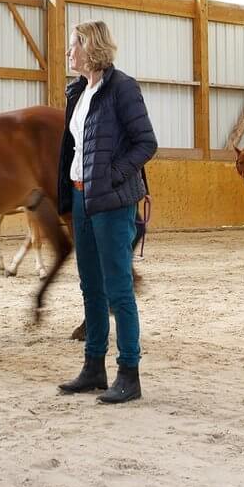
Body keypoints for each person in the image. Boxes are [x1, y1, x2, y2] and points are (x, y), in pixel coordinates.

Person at [56, 20, 157, 405]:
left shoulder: (122, 88)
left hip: (113, 201)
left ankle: (129, 373)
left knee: (117, 288)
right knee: (90, 285)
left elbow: (146, 143)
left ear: (90, 47)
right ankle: (93, 366)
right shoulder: (78, 91)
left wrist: (112, 177)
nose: (69, 53)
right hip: (82, 197)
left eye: (73, 46)